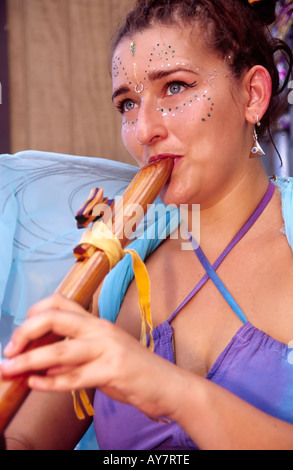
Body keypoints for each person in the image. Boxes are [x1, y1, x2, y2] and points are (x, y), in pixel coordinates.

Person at [1, 0, 293, 450]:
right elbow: (28, 440)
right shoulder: (118, 262)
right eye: (127, 103)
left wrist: (168, 388)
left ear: (253, 94)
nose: (143, 130)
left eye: (175, 86)